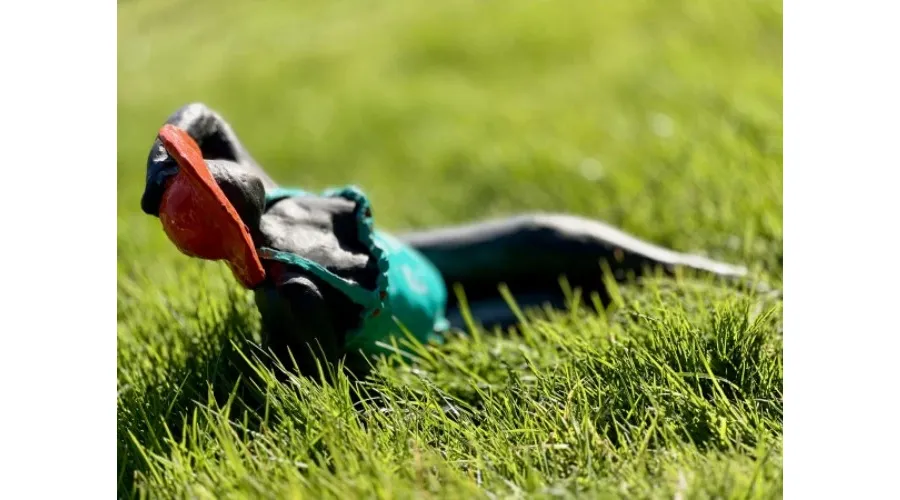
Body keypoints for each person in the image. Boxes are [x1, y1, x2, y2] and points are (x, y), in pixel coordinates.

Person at [141, 103, 754, 377]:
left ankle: (694, 269)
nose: (228, 165)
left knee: (542, 235)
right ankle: (672, 292)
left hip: (412, 257)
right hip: (418, 326)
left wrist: (160, 168)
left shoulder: (271, 198)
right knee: (565, 298)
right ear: (236, 205)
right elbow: (317, 382)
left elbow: (203, 115)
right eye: (217, 179)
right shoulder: (290, 292)